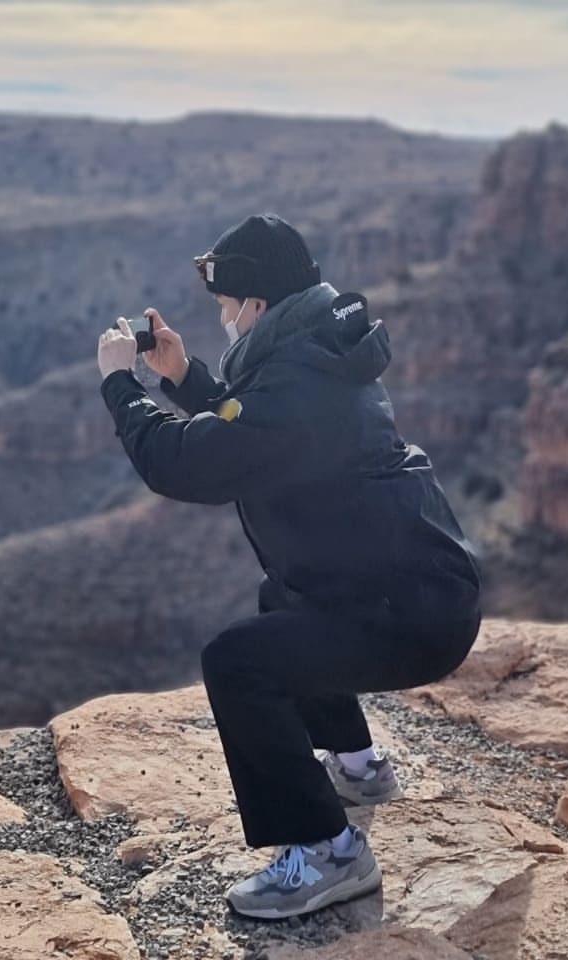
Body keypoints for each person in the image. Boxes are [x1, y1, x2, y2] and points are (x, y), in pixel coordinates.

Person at [97, 213, 481, 920]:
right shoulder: (321, 356)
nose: (224, 321)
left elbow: (183, 463)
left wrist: (122, 386)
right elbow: (251, 427)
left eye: (225, 308)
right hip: (414, 598)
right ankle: (359, 769)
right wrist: (182, 377)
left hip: (409, 620)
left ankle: (331, 854)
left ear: (258, 306)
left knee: (239, 664)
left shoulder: (300, 387)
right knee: (287, 604)